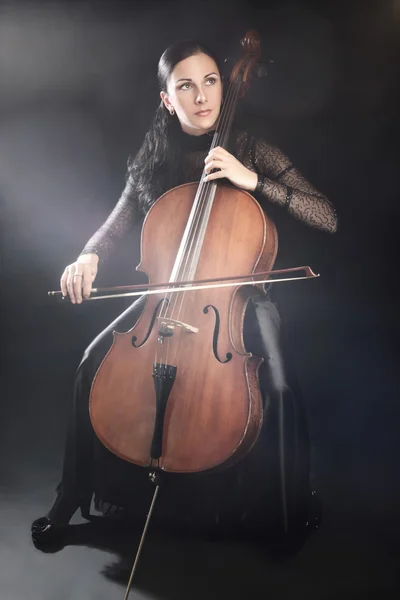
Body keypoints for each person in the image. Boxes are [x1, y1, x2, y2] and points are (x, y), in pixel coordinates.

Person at [31, 39, 338, 548]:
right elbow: (112, 228)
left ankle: (286, 511)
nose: (202, 96)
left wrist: (253, 180)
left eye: (211, 81)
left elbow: (326, 216)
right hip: (167, 294)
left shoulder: (252, 149)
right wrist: (87, 255)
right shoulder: (151, 160)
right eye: (186, 86)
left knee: (278, 390)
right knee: (90, 363)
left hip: (238, 299)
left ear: (224, 86)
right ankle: (69, 500)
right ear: (167, 99)